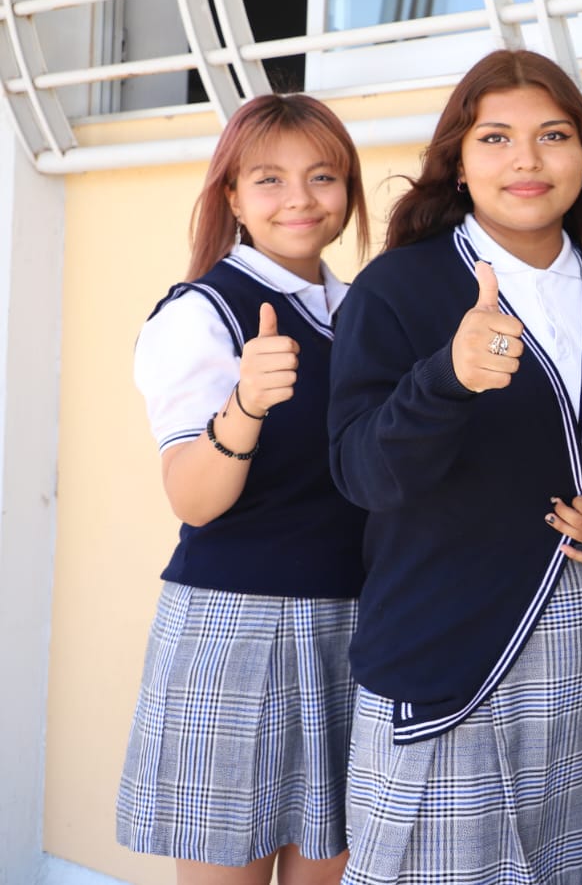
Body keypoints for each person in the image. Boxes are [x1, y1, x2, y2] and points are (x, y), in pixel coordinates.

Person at [327, 48, 582, 885]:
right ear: (458, 162)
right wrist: (446, 379)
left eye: (553, 135)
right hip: (453, 659)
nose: (527, 160)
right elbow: (362, 475)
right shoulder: (398, 290)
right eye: (495, 138)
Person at [117, 94, 371, 885]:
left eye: (323, 176)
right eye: (269, 179)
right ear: (231, 196)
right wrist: (247, 403)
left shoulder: (362, 311)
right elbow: (192, 500)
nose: (300, 198)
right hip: (238, 626)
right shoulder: (202, 314)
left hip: (356, 624)